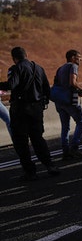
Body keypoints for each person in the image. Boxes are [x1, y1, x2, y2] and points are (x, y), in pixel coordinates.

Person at [0, 47, 60, 181]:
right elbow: (46, 89)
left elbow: (11, 85)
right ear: (26, 55)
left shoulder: (16, 68)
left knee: (21, 142)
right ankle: (50, 165)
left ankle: (30, 172)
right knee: (38, 138)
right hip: (36, 109)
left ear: (14, 58)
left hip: (20, 110)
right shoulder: (38, 68)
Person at [53, 50, 82, 160]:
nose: (81, 59)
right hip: (70, 101)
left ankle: (66, 152)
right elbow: (72, 83)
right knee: (81, 123)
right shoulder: (73, 66)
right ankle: (74, 148)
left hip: (60, 101)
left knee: (65, 126)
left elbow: (58, 84)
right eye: (79, 57)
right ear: (73, 58)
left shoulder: (60, 68)